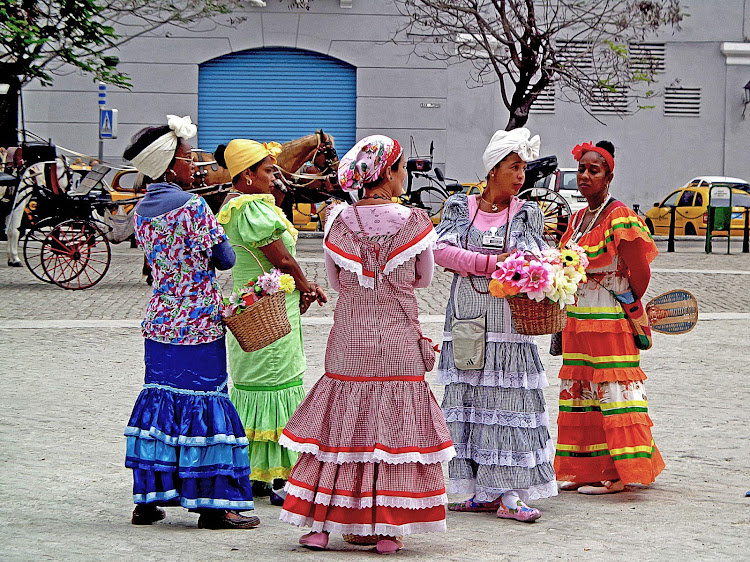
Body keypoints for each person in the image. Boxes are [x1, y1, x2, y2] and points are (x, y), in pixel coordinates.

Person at [278, 135, 455, 554]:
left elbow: (338, 282)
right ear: (390, 172)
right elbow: (424, 280)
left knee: (341, 430)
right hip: (396, 338)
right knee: (392, 431)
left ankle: (321, 525)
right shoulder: (414, 222)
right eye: (403, 169)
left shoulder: (339, 221)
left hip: (351, 339)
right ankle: (388, 530)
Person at [123, 116, 258, 529]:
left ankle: (148, 501)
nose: (193, 165)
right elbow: (225, 259)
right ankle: (213, 505)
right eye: (186, 158)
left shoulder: (140, 211)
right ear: (169, 165)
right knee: (205, 403)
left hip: (160, 321)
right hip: (198, 321)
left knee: (159, 402)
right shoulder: (194, 206)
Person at [434, 128, 557, 522]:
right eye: (513, 166)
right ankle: (476, 490)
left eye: (523, 168)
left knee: (507, 404)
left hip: (509, 325)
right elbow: (440, 250)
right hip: (468, 319)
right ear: (492, 169)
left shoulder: (527, 214)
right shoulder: (459, 207)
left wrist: (536, 267)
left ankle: (509, 493)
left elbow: (532, 257)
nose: (520, 175)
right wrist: (490, 263)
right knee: (471, 401)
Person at [214, 139, 327, 505]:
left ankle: (256, 472)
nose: (274, 177)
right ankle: (278, 476)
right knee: (276, 384)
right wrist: (307, 286)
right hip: (269, 309)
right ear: (246, 175)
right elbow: (283, 261)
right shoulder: (250, 209)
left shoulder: (236, 206)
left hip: (256, 306)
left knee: (253, 386)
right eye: (266, 171)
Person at [554, 140, 664, 494]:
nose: (585, 176)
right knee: (584, 395)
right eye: (581, 170)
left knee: (615, 394)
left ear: (609, 177)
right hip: (579, 323)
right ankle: (588, 469)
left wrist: (625, 303)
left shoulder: (620, 218)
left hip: (609, 322)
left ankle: (621, 472)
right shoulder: (576, 220)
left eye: (593, 171)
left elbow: (640, 271)